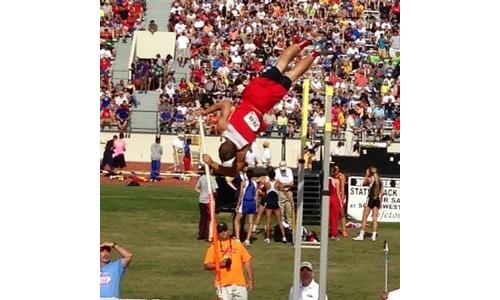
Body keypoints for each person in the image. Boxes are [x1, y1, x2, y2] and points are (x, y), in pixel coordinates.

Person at [197, 40, 321, 176]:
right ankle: (302, 43)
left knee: (291, 75)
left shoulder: (242, 149)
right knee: (280, 65)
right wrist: (205, 112)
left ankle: (314, 54)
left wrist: (212, 164)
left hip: (263, 104)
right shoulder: (223, 126)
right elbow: (226, 103)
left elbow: (233, 172)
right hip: (252, 93)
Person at [204, 221, 254, 300]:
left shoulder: (237, 245)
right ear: (218, 233)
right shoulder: (214, 247)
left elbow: (247, 261)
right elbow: (206, 265)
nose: (223, 232)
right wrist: (219, 264)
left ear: (228, 231)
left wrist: (250, 279)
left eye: (224, 230)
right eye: (220, 231)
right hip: (223, 285)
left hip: (240, 284)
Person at [353, 166, 384, 241]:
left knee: (364, 217)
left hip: (371, 198)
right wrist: (380, 201)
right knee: (374, 218)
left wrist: (366, 175)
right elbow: (382, 192)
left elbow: (364, 183)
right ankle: (373, 235)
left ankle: (361, 235)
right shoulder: (380, 180)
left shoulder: (369, 178)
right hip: (377, 199)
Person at [263, 169, 287, 243]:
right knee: (280, 221)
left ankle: (268, 238)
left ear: (269, 176)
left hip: (269, 203)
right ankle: (284, 237)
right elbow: (284, 191)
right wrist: (289, 199)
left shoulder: (266, 184)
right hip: (275, 203)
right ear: (275, 176)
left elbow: (264, 193)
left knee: (268, 221)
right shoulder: (278, 183)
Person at [234, 169, 258, 245]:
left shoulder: (243, 183)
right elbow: (256, 196)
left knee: (236, 220)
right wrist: (256, 206)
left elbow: (241, 195)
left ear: (246, 175)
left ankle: (238, 238)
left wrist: (237, 205)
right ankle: (247, 239)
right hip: (252, 203)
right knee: (250, 222)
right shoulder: (255, 183)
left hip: (245, 202)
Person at [195, 170, 218, 241]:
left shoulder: (201, 178)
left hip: (202, 199)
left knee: (202, 217)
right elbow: (214, 190)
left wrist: (202, 193)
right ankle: (208, 235)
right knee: (210, 218)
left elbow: (196, 188)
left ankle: (201, 234)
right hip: (209, 200)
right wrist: (215, 197)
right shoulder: (212, 178)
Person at [275, 160, 294, 226]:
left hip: (288, 192)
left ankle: (290, 226)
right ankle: (282, 226)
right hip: (280, 192)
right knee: (281, 211)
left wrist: (283, 184)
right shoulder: (277, 171)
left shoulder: (289, 171)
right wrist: (286, 184)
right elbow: (277, 184)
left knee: (289, 210)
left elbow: (291, 183)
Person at [328, 167, 343, 241]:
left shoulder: (326, 180)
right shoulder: (337, 181)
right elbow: (338, 193)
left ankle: (329, 232)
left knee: (329, 217)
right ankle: (334, 234)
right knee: (334, 218)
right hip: (334, 199)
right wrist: (340, 203)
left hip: (327, 199)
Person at [333, 165, 348, 237]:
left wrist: (341, 199)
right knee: (333, 214)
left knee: (342, 213)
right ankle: (333, 228)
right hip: (333, 195)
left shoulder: (341, 176)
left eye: (336, 169)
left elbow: (342, 188)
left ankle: (344, 230)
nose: (335, 171)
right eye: (334, 169)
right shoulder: (331, 176)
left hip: (340, 195)